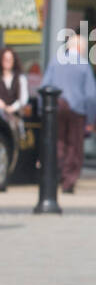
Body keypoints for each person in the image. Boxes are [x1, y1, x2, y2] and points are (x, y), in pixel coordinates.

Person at [40, 34, 96, 193]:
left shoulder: (56, 61)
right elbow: (91, 96)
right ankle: (68, 181)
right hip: (77, 110)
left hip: (56, 106)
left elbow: (44, 86)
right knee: (74, 145)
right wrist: (91, 119)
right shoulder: (83, 65)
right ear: (80, 49)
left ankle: (55, 173)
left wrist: (42, 111)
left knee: (57, 142)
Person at [0, 46, 29, 143]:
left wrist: (12, 108)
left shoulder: (20, 78)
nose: (7, 61)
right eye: (5, 59)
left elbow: (24, 99)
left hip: (14, 119)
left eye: (10, 59)